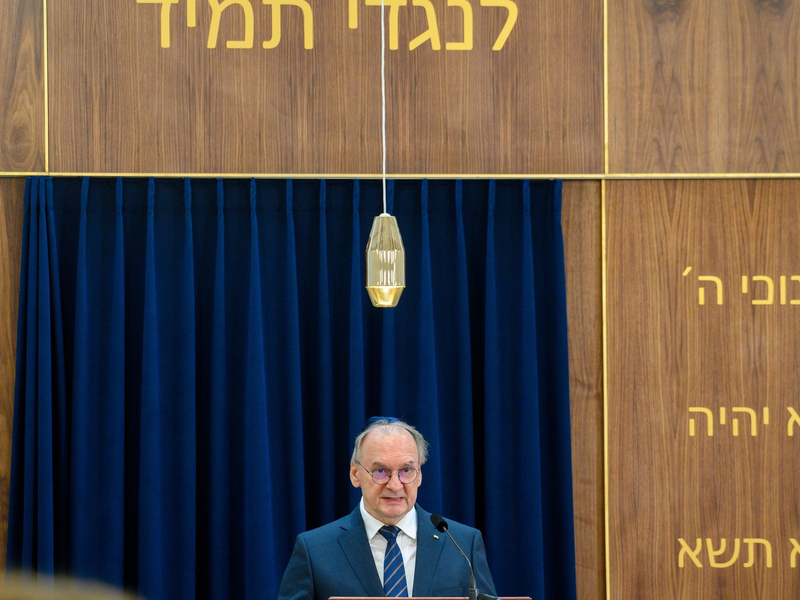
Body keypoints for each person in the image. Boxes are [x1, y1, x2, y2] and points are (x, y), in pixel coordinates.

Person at [278, 417, 497, 599]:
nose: (395, 485)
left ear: (419, 474)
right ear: (355, 474)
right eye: (380, 471)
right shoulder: (314, 550)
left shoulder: (463, 545)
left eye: (406, 470)